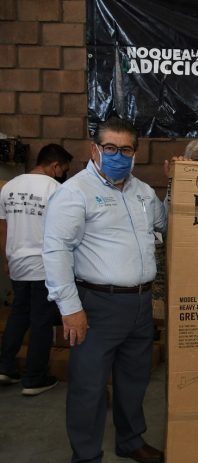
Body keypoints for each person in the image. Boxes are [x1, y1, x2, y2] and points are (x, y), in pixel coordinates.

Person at [43, 117, 168, 463]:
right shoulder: (75, 192)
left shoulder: (143, 192)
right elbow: (56, 251)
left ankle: (130, 440)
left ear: (135, 153)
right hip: (96, 304)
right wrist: (70, 308)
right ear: (94, 150)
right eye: (110, 148)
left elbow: (166, 222)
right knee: (89, 386)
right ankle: (86, 455)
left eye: (125, 149)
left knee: (134, 379)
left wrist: (178, 183)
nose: (118, 155)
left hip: (140, 304)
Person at [0, 144, 73, 395]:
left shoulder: (9, 187)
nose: (63, 175)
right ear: (55, 166)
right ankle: (34, 378)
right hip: (45, 266)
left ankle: (6, 367)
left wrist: (7, 259)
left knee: (19, 315)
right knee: (42, 321)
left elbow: (3, 228)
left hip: (17, 263)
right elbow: (63, 232)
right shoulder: (56, 189)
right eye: (63, 170)